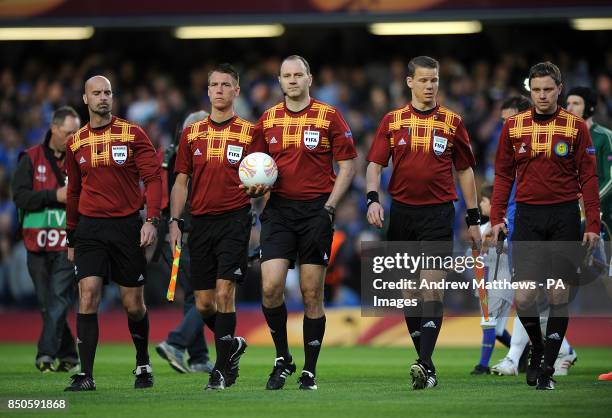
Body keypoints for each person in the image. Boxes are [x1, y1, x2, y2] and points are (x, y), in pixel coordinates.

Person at [366, 55, 481, 390]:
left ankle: (424, 363)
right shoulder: (392, 121)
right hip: (401, 213)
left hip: (439, 213)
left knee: (431, 287)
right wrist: (373, 200)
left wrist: (473, 219)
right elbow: (374, 165)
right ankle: (427, 366)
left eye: (435, 80)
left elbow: (465, 169)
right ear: (409, 82)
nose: (430, 86)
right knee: (409, 292)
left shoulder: (452, 122)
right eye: (424, 80)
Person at [491, 62, 600, 390]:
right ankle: (538, 349)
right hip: (527, 218)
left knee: (557, 292)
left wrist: (591, 222)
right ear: (530, 90)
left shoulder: (575, 127)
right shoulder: (514, 127)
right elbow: (503, 175)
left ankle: (548, 368)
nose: (541, 95)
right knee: (524, 297)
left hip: (564, 217)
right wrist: (497, 218)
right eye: (536, 90)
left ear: (559, 89)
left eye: (548, 89)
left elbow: (589, 177)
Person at [251, 55, 357, 391]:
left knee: (312, 294)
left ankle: (309, 371)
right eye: (286, 75)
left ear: (309, 78)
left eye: (299, 74)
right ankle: (283, 358)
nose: (293, 80)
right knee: (270, 288)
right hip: (279, 210)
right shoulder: (267, 120)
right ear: (279, 81)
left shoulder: (328, 116)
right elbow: (253, 167)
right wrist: (255, 188)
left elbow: (348, 166)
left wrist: (328, 207)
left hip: (316, 211)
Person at [64, 75, 162, 391]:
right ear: (85, 99)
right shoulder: (75, 142)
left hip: (127, 226)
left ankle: (143, 362)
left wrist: (152, 220)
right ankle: (86, 374)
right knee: (88, 295)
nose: (103, 97)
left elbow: (154, 178)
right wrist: (71, 234)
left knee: (133, 303)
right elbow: (75, 192)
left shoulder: (132, 133)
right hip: (90, 228)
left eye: (107, 92)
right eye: (97, 93)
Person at [169, 63, 253, 390]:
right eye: (214, 85)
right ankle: (231, 345)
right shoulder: (192, 133)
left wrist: (261, 190)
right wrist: (176, 221)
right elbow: (180, 182)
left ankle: (219, 371)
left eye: (225, 85)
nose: (219, 90)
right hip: (199, 222)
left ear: (236, 91)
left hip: (234, 219)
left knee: (224, 293)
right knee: (203, 303)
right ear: (208, 91)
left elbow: (264, 174)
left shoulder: (250, 132)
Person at [12, 106, 81, 373]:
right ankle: (70, 357)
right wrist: (55, 196)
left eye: (76, 133)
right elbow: (20, 197)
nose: (73, 138)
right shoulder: (30, 159)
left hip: (66, 243)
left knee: (59, 298)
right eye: (68, 133)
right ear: (54, 129)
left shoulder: (80, 159)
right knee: (47, 303)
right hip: (36, 244)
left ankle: (45, 354)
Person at [156, 111, 213, 374]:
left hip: (175, 237)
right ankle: (175, 342)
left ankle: (199, 357)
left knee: (194, 296)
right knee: (208, 295)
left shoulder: (167, 156)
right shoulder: (197, 159)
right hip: (195, 235)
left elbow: (155, 195)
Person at [565, 86, 612, 381]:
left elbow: (610, 180)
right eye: (567, 101)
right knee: (561, 286)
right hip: (573, 223)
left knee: (609, 287)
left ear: (590, 108)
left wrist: (589, 201)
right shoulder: (563, 135)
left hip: (604, 223)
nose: (569, 106)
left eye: (576, 102)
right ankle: (558, 351)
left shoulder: (604, 137)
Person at [471, 184, 513, 375]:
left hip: (501, 280)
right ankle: (521, 352)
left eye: (484, 201)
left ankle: (482, 365)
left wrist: (493, 243)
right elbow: (474, 252)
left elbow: (511, 247)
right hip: (486, 281)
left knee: (488, 321)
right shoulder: (482, 227)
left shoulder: (507, 224)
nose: (481, 204)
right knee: (496, 329)